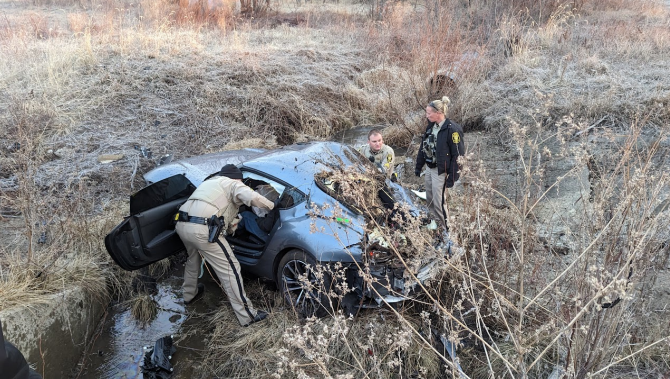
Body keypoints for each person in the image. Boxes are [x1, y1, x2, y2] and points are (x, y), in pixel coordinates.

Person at [175, 164, 274, 326]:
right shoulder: (233, 183)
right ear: (237, 178)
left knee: (193, 260)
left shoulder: (209, 183)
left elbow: (222, 211)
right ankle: (247, 316)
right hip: (203, 229)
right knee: (231, 269)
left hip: (182, 224)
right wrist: (272, 206)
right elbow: (251, 197)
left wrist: (231, 226)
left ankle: (189, 295)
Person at [415, 96, 464, 233]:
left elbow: (458, 156)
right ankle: (434, 224)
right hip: (430, 169)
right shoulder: (431, 126)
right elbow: (423, 147)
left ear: (438, 113)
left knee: (439, 202)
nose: (427, 115)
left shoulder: (452, 129)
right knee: (430, 198)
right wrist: (419, 166)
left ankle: (446, 230)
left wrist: (452, 177)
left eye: (429, 113)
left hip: (441, 171)